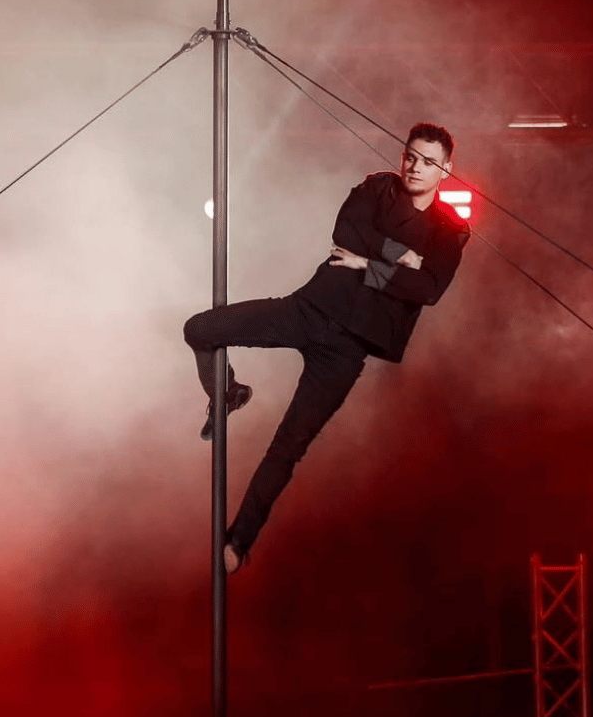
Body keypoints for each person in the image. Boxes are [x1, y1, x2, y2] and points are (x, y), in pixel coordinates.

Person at [184, 123, 470, 573]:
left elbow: (427, 289)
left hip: (348, 349)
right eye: (411, 156)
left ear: (446, 169)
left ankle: (238, 543)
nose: (416, 167)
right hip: (309, 309)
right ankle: (228, 393)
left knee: (287, 447)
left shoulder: (449, 231)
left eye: (428, 162)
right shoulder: (378, 187)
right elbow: (345, 231)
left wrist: (366, 264)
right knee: (200, 329)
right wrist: (395, 255)